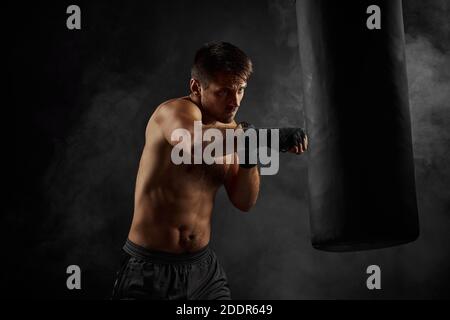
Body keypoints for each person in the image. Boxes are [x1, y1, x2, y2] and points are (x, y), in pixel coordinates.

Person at [111, 41, 308, 300]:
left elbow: (244, 201)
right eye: (223, 92)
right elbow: (193, 142)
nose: (234, 101)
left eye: (240, 90)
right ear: (196, 87)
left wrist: (251, 155)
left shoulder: (234, 132)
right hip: (149, 270)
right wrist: (266, 139)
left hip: (203, 273)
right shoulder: (173, 112)